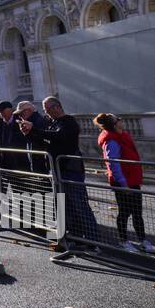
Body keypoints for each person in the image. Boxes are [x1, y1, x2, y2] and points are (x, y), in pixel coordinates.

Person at [22, 96, 96, 243]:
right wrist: (28, 134)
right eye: (45, 110)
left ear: (56, 107)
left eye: (47, 109)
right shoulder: (53, 123)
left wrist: (34, 129)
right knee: (65, 206)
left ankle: (93, 241)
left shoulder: (69, 122)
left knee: (79, 206)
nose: (46, 113)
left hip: (70, 169)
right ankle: (75, 237)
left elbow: (59, 136)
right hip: (56, 170)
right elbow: (45, 143)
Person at [95, 113, 153, 254]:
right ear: (114, 124)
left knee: (137, 212)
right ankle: (123, 240)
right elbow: (112, 164)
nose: (121, 120)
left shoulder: (121, 136)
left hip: (131, 180)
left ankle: (142, 239)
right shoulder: (111, 140)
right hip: (123, 182)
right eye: (118, 119)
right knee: (125, 212)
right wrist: (123, 183)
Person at [14, 100, 47, 174]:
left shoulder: (37, 121)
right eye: (19, 114)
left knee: (43, 182)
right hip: (37, 158)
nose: (20, 116)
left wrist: (28, 132)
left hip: (40, 160)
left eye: (21, 113)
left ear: (29, 110)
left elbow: (40, 140)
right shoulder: (33, 120)